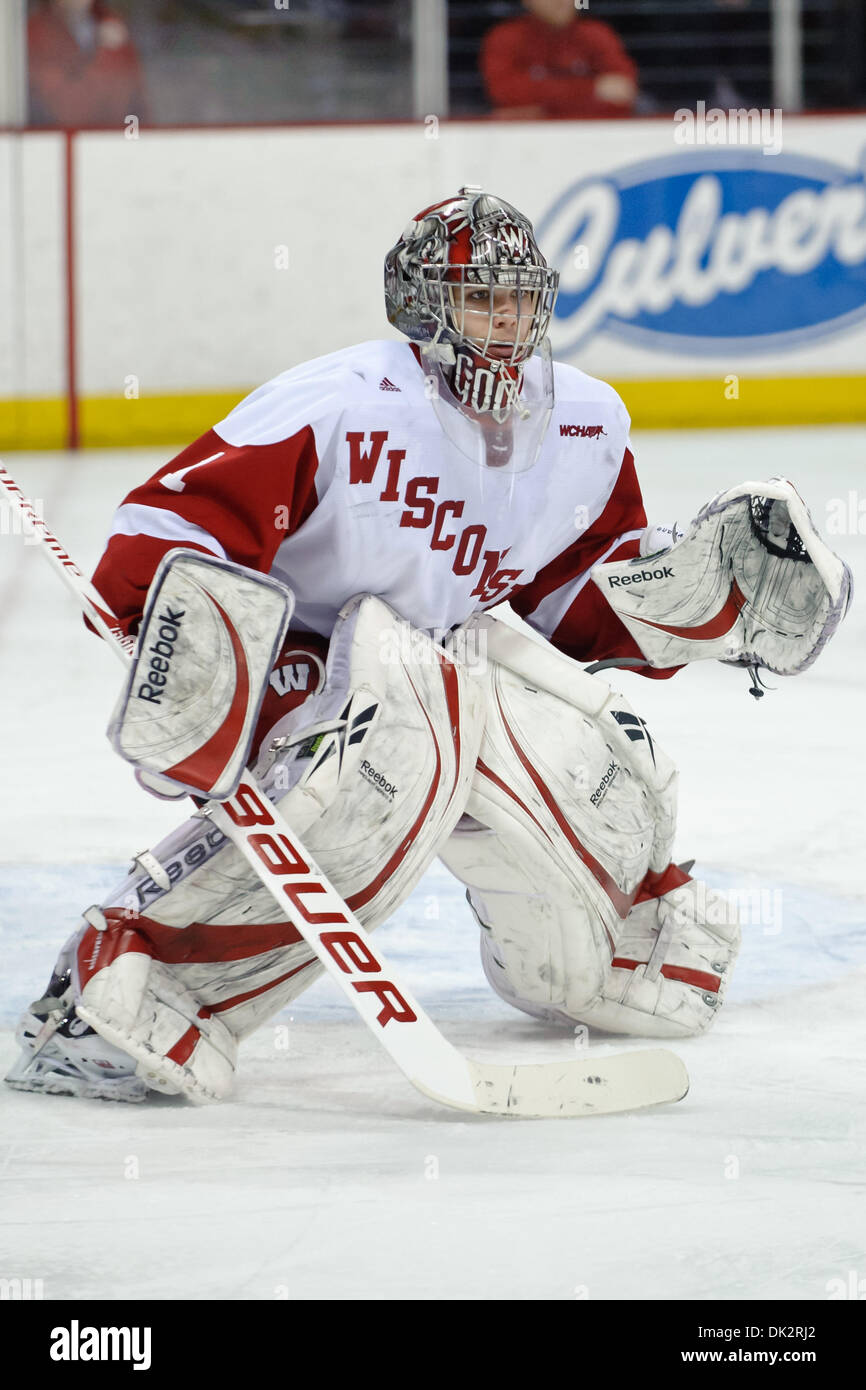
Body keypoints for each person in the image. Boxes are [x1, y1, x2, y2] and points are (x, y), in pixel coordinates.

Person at [5, 187, 848, 1104]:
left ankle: (607, 949)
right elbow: (173, 527)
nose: (509, 320)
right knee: (385, 764)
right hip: (307, 657)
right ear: (421, 303)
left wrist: (689, 596)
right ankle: (116, 992)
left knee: (598, 762)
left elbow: (566, 601)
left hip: (454, 655)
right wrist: (191, 651)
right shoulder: (342, 401)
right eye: (482, 296)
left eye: (523, 297)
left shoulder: (584, 424)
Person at [481, 0, 638, 120]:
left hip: (592, 137)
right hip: (526, 141)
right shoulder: (505, 38)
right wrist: (592, 90)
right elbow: (504, 92)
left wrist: (539, 105)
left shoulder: (597, 34)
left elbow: (623, 92)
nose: (561, 1)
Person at [28, 0, 149, 129]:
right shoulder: (36, 35)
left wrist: (137, 142)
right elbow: (68, 115)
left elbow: (138, 107)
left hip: (118, 142)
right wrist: (104, 54)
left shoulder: (112, 25)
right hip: (65, 144)